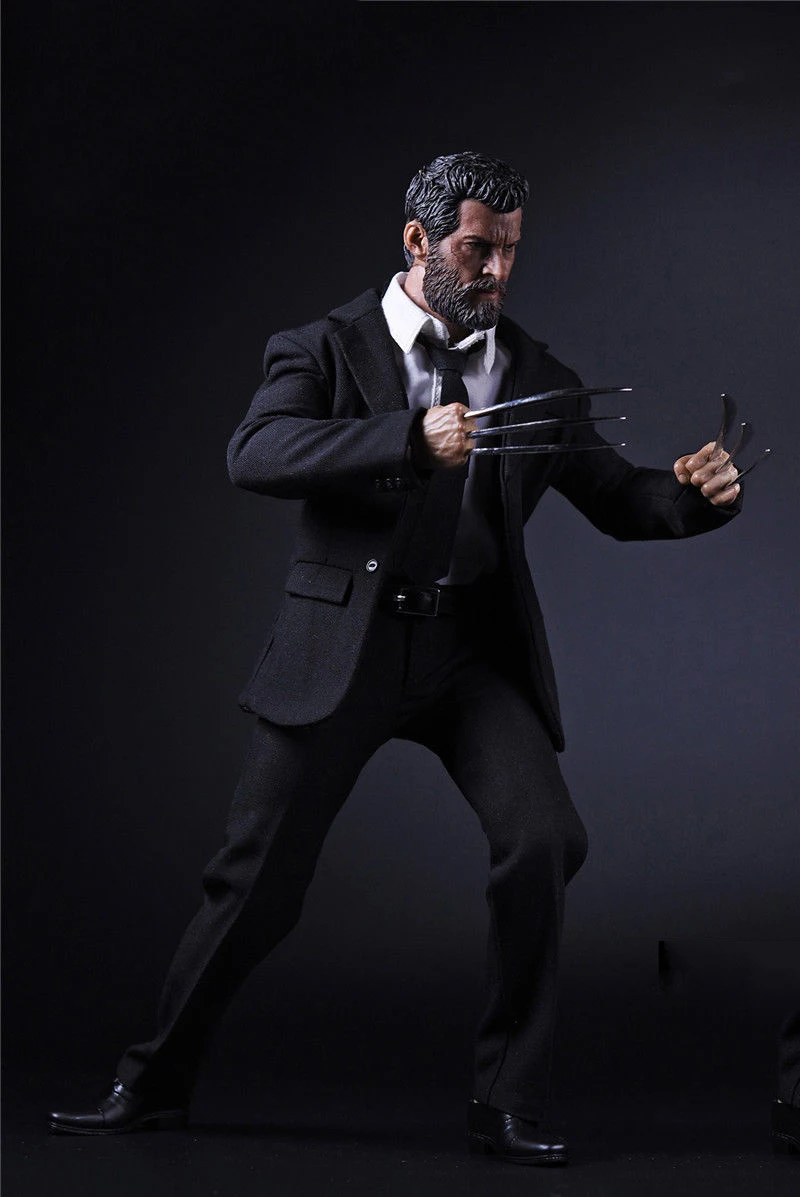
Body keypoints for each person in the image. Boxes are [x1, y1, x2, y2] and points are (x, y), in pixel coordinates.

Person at [48, 152, 743, 1165]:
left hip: (470, 657)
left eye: (510, 250)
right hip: (346, 649)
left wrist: (693, 496)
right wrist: (406, 442)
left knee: (544, 839)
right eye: (476, 248)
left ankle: (504, 1099)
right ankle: (151, 1083)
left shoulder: (535, 375)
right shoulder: (324, 347)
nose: (496, 271)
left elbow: (616, 497)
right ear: (418, 241)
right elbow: (256, 451)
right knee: (255, 883)